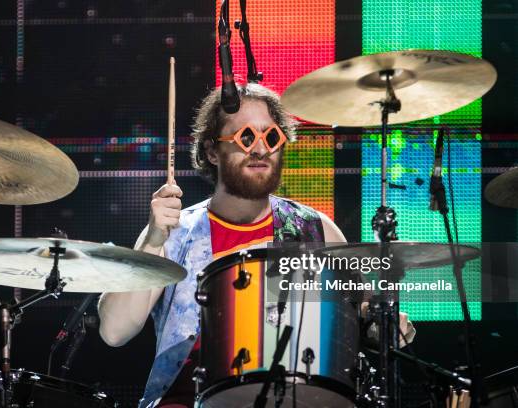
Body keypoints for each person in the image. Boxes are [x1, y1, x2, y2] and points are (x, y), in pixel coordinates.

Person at [98, 83, 414, 408]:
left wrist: (383, 325)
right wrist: (152, 241)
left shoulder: (316, 230)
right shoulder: (173, 232)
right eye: (246, 137)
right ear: (211, 151)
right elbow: (114, 331)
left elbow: (358, 326)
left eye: (272, 137)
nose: (261, 149)